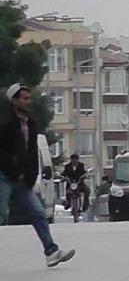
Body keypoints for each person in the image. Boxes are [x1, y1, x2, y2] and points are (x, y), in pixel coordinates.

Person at [0, 83, 76, 267]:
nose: (28, 101)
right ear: (14, 100)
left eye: (29, 98)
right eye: (24, 98)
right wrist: (13, 164)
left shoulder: (30, 121)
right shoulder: (5, 122)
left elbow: (32, 150)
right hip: (4, 175)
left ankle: (52, 251)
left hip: (21, 179)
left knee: (37, 213)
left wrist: (31, 173)